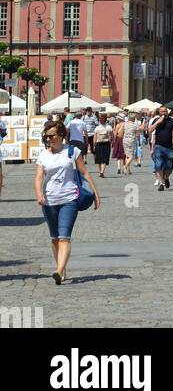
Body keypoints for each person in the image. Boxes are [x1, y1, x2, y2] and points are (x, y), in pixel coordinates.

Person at [35, 119, 100, 284]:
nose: (48, 139)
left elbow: (84, 173)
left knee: (64, 237)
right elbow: (38, 177)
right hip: (49, 201)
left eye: (51, 136)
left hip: (69, 199)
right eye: (46, 136)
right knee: (55, 238)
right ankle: (61, 268)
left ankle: (58, 270)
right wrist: (39, 194)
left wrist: (95, 194)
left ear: (61, 135)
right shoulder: (43, 155)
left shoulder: (72, 151)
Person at [149, 105, 173, 190]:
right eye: (161, 111)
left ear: (167, 112)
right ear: (159, 112)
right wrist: (158, 122)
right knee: (158, 165)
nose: (163, 113)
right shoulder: (156, 120)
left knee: (169, 166)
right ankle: (161, 184)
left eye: (165, 111)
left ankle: (166, 177)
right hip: (158, 146)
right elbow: (150, 130)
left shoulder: (172, 121)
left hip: (169, 147)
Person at [92, 110, 113, 177]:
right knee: (104, 159)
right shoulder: (109, 127)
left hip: (98, 144)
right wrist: (112, 142)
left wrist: (94, 145)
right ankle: (102, 172)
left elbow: (94, 137)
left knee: (99, 159)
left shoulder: (97, 128)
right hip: (106, 144)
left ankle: (101, 171)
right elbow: (113, 136)